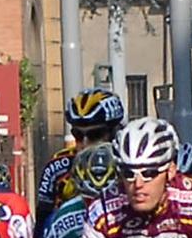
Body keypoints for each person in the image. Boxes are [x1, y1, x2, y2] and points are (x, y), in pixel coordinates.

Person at [35, 89, 125, 223]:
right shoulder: (56, 168)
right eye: (78, 135)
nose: (85, 143)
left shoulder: (130, 164)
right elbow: (42, 222)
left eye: (95, 135)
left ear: (115, 133)